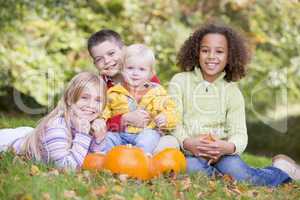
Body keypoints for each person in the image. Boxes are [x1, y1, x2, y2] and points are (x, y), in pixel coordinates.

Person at [168, 22, 300, 186]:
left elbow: (239, 133)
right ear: (196, 53)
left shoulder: (232, 92)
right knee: (191, 167)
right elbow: (172, 121)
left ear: (229, 56)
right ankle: (221, 177)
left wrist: (227, 147)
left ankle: (282, 170)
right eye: (205, 50)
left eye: (219, 51)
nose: (211, 56)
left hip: (222, 154)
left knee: (239, 172)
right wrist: (187, 142)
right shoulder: (179, 81)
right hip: (187, 152)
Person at [87, 29, 179, 153]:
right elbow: (98, 120)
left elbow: (162, 107)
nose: (107, 61)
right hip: (118, 134)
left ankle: (140, 159)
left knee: (165, 143)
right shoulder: (99, 87)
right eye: (99, 59)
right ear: (95, 64)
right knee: (103, 141)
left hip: (147, 132)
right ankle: (108, 158)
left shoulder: (147, 78)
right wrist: (123, 119)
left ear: (124, 50)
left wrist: (162, 119)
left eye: (111, 53)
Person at [0, 72, 107, 169]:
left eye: (98, 100)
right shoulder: (57, 127)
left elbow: (89, 162)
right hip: (7, 142)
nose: (91, 105)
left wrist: (98, 141)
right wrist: (82, 135)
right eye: (84, 97)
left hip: (27, 133)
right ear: (69, 99)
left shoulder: (86, 125)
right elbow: (67, 168)